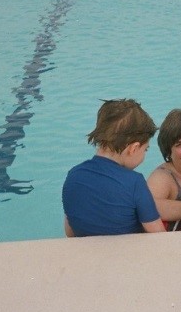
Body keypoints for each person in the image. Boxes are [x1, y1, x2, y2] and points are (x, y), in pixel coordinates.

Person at [62, 98, 166, 237]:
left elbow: (70, 232)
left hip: (86, 255)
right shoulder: (134, 182)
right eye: (145, 150)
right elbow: (159, 236)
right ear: (133, 148)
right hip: (129, 255)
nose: (144, 155)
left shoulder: (73, 176)